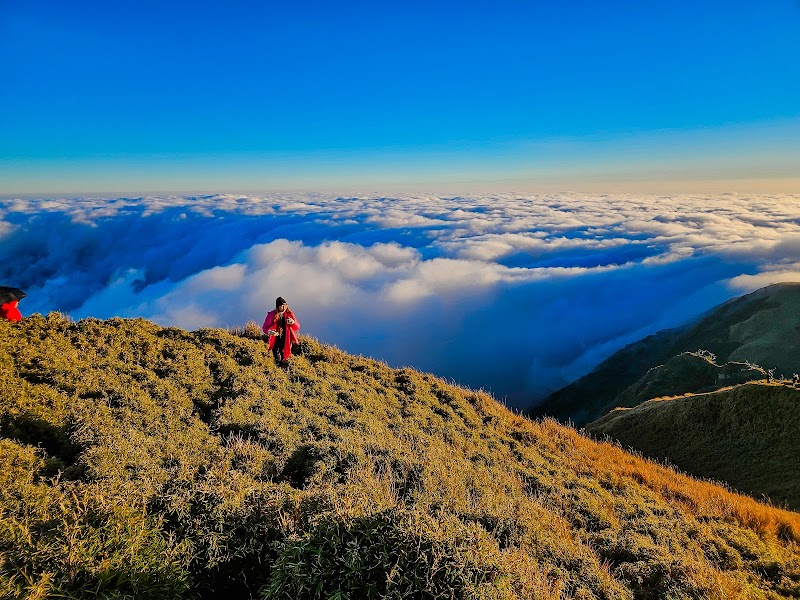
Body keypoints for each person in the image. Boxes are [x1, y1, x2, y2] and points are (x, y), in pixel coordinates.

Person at [262, 297, 300, 367]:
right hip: (275, 339)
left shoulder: (289, 314)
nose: (283, 307)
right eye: (281, 306)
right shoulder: (271, 315)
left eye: (285, 305)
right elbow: (264, 327)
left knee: (285, 355)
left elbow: (297, 327)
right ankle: (277, 367)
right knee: (276, 355)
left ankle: (283, 367)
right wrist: (269, 332)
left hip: (286, 338)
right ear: (278, 307)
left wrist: (293, 322)